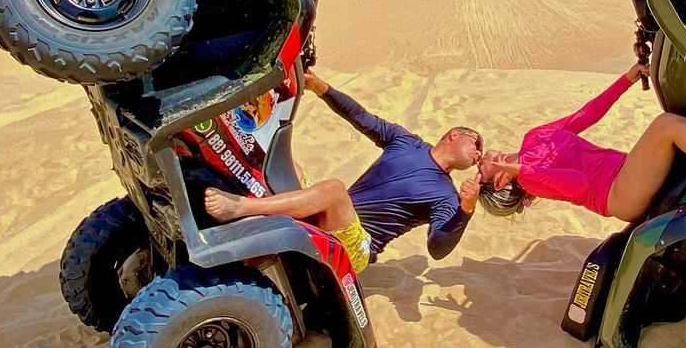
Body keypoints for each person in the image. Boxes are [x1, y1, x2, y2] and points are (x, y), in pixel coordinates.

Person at [205, 70, 483, 272]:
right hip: (331, 217)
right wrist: (321, 88)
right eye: (477, 143)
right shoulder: (407, 142)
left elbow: (437, 248)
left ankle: (241, 208)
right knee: (285, 161)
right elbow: (362, 118)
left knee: (334, 190)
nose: (479, 153)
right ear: (455, 134)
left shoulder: (446, 196)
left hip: (357, 246)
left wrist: (465, 211)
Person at [476, 63, 686, 221]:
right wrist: (524, 170)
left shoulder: (533, 137)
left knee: (682, 113)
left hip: (626, 170)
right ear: (501, 179)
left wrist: (627, 79)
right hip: (617, 194)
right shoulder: (533, 180)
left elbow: (583, 117)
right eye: (481, 171)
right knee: (667, 127)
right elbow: (580, 183)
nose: (481, 161)